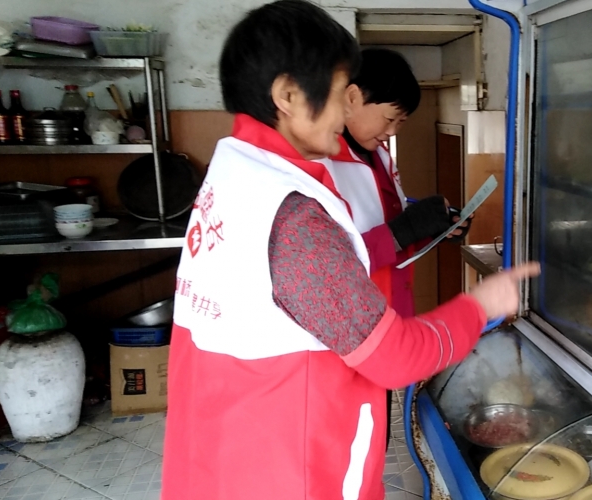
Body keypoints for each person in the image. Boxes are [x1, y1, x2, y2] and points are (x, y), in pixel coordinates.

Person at [159, 2, 539, 499]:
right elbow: (396, 359)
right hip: (286, 469)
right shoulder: (291, 212)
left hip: (226, 450)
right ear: (289, 95)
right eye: (342, 94)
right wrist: (481, 305)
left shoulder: (234, 172)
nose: (346, 109)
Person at [326, 48, 470, 446]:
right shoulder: (324, 165)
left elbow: (388, 218)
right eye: (390, 119)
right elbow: (332, 261)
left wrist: (433, 226)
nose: (392, 132)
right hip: (349, 324)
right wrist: (406, 228)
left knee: (375, 426)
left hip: (387, 313)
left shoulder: (379, 156)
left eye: (400, 123)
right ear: (353, 97)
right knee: (349, 435)